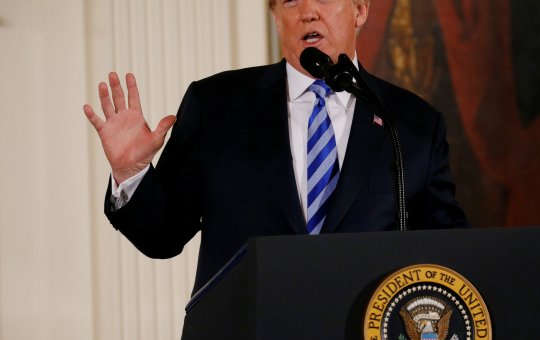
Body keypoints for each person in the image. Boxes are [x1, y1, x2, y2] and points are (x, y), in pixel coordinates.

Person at [83, 0, 468, 295]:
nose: (307, 13)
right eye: (290, 1)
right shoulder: (217, 104)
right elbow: (162, 237)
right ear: (275, 15)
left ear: (361, 9)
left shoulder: (412, 123)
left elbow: (450, 254)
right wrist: (131, 174)